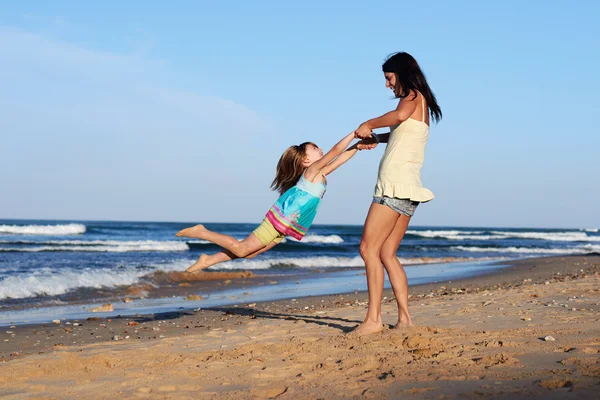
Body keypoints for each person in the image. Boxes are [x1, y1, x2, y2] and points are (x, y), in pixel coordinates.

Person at [176, 131, 365, 272]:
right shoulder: (312, 170)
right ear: (306, 159)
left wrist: (360, 145)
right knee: (242, 249)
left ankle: (208, 260)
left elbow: (342, 158)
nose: (321, 149)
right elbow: (336, 151)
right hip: (280, 220)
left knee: (251, 253)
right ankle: (202, 232)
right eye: (315, 148)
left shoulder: (321, 173)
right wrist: (355, 134)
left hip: (288, 225)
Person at [352, 52, 442, 335]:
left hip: (393, 185)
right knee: (388, 253)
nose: (388, 85)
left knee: (368, 249)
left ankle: (373, 320)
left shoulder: (412, 97)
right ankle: (404, 319)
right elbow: (401, 128)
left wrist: (369, 123)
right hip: (409, 188)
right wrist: (376, 139)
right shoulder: (422, 104)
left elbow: (399, 115)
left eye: (389, 78)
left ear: (401, 73)